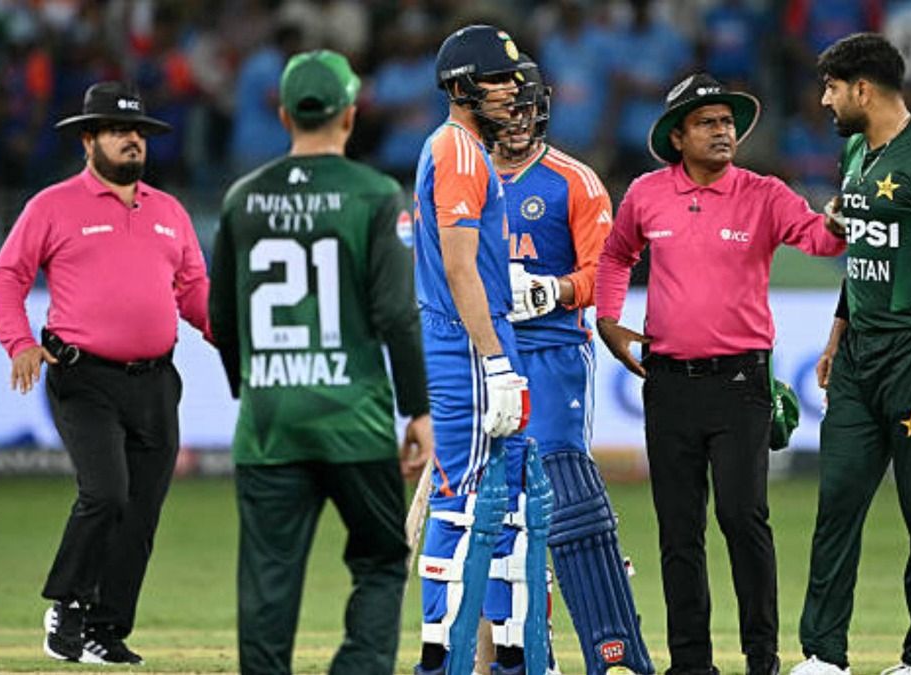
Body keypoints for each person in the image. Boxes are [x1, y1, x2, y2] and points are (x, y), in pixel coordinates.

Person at [595, 73, 847, 675]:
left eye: (728, 122)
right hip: (669, 384)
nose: (723, 130)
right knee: (679, 531)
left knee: (742, 518)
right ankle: (690, 665)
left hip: (742, 385)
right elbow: (614, 256)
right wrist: (607, 319)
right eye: (708, 122)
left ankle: (762, 659)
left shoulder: (764, 193)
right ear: (677, 136)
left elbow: (816, 238)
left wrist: (836, 225)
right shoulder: (646, 194)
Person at [208, 50, 434, 675]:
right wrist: (419, 409)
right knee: (382, 559)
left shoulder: (241, 198)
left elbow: (221, 317)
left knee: (266, 584)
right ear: (351, 115)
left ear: (283, 114)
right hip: (352, 419)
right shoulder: (377, 195)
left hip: (269, 421)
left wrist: (249, 385)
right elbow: (396, 314)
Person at [0, 81, 211, 665]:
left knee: (141, 514)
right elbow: (7, 276)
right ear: (88, 141)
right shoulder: (52, 206)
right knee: (107, 493)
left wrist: (232, 338)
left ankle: (104, 630)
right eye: (117, 130)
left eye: (138, 132)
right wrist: (18, 342)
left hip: (157, 381)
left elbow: (194, 293)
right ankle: (67, 602)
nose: (132, 140)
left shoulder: (169, 212)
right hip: (82, 377)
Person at [790, 33, 911, 675]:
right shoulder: (856, 152)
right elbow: (866, 254)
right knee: (836, 503)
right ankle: (823, 656)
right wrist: (836, 335)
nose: (825, 100)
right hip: (859, 361)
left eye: (832, 88)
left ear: (863, 89)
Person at [494, 58, 654, 675]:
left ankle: (607, 640)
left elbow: (606, 271)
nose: (517, 120)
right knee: (498, 512)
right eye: (506, 108)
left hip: (553, 352)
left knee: (558, 495)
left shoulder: (572, 180)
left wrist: (551, 292)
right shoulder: (466, 177)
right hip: (484, 357)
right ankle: (523, 652)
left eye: (526, 108)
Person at [412, 25, 548, 675]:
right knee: (464, 499)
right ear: (462, 87)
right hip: (469, 344)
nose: (513, 90)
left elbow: (468, 266)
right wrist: (493, 358)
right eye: (498, 80)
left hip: (476, 333)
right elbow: (459, 269)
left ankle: (505, 657)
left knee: (503, 495)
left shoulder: (458, 149)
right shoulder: (461, 152)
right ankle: (440, 658)